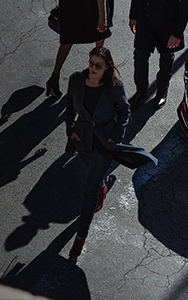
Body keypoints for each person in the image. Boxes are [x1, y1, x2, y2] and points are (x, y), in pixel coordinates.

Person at [65, 47, 156, 262]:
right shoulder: (76, 80)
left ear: (107, 68)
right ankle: (103, 186)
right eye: (91, 63)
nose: (93, 68)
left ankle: (80, 236)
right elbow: (69, 104)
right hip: (83, 138)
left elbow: (124, 111)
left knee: (90, 187)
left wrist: (115, 138)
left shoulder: (115, 88)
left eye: (98, 65)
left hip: (104, 139)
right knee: (95, 176)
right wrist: (71, 130)